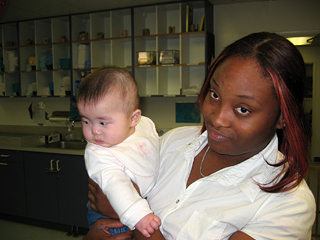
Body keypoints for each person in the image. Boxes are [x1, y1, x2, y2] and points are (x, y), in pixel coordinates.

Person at [83, 32, 316, 240]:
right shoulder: (172, 142)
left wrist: (130, 213)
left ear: (282, 117)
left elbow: (116, 203)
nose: (217, 118)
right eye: (214, 94)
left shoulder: (289, 204)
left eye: (243, 109)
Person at [76, 66, 161, 238]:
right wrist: (139, 215)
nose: (94, 131)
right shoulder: (99, 153)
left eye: (102, 123)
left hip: (140, 204)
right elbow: (116, 186)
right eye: (86, 121)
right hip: (114, 214)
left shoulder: (143, 127)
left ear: (133, 119)